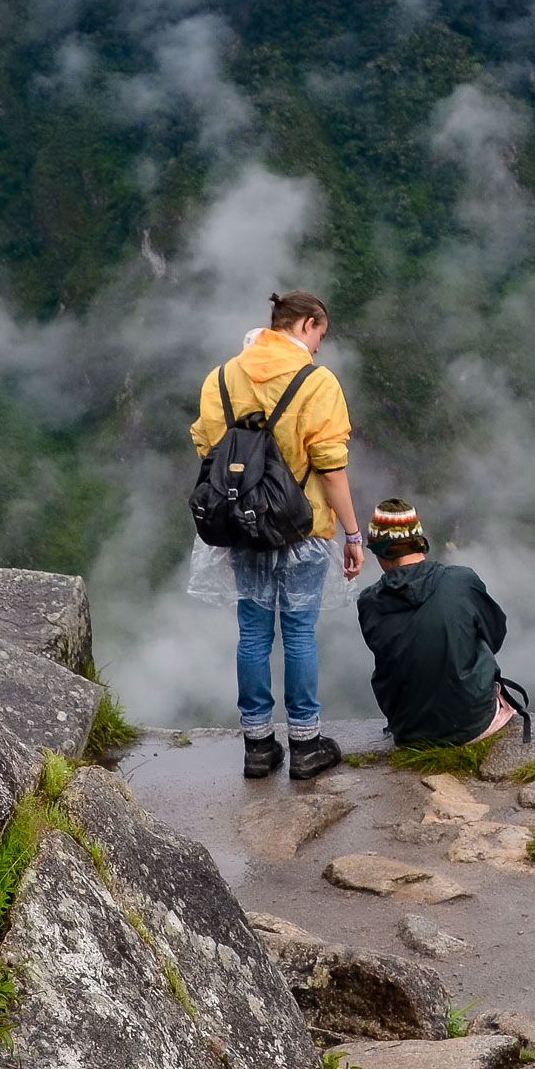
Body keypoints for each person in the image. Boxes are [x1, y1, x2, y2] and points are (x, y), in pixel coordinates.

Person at [190, 290, 363, 780]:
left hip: (242, 523)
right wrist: (353, 534)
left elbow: (208, 446)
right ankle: (306, 745)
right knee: (300, 632)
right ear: (307, 324)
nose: (319, 347)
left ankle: (258, 745)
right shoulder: (317, 382)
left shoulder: (222, 376)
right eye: (320, 335)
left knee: (252, 632)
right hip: (302, 525)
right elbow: (331, 468)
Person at [355, 498, 525, 749]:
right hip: (472, 723)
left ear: (380, 551)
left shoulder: (368, 602)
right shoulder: (461, 582)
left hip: (409, 731)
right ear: (420, 542)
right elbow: (495, 636)